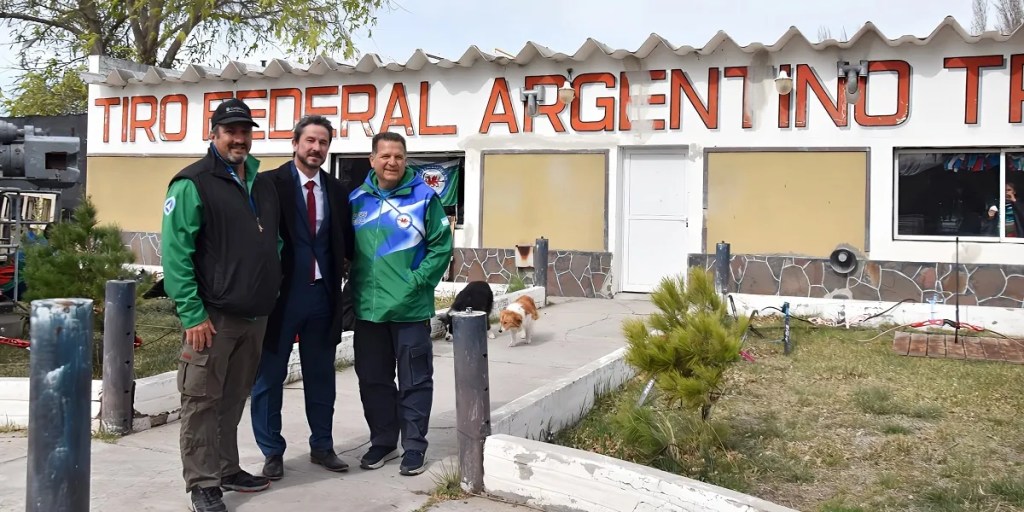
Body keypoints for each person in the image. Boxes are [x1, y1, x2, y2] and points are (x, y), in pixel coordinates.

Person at [161, 98, 282, 512]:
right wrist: (192, 313)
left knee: (233, 398)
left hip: (254, 316)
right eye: (230, 131)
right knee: (201, 401)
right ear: (213, 134)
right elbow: (176, 255)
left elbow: (272, 242)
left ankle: (227, 468)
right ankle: (202, 484)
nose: (239, 138)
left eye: (245, 131)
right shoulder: (192, 183)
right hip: (211, 318)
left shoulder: (261, 183)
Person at [250, 115, 354, 480]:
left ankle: (322, 446)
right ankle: (271, 451)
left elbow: (346, 242)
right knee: (269, 377)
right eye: (310, 141)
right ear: (295, 143)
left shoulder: (338, 190)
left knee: (321, 375)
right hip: (281, 297)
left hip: (323, 297)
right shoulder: (267, 184)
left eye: (323, 143)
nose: (316, 149)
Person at [349, 131, 453, 476]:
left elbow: (441, 246)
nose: (392, 162)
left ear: (406, 161)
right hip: (369, 311)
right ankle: (382, 442)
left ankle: (414, 447)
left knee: (415, 381)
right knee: (373, 381)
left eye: (399, 156)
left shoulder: (424, 197)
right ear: (372, 161)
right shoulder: (357, 199)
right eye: (385, 156)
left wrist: (417, 281)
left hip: (410, 310)